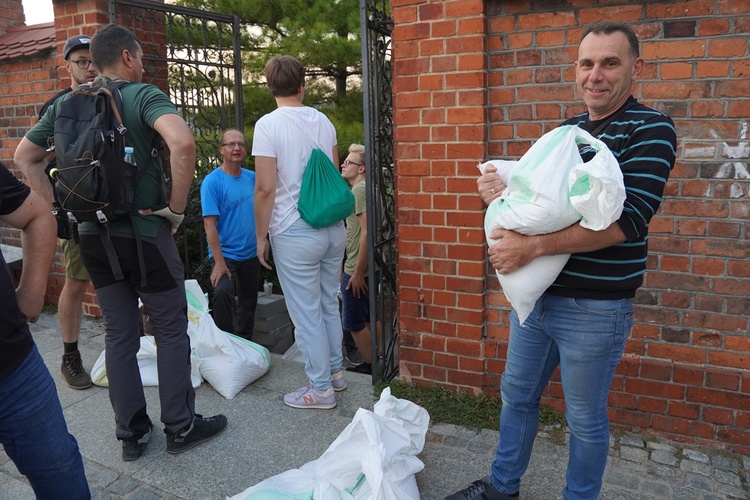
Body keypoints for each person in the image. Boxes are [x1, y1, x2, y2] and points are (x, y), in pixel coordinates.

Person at [446, 21, 676, 500]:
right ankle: (501, 488)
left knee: (585, 420)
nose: (596, 74)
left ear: (636, 68)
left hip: (596, 308)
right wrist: (498, 190)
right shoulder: (566, 131)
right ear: (576, 69)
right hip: (537, 298)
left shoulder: (651, 128)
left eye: (610, 62)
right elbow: (538, 197)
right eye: (587, 63)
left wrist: (529, 248)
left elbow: (628, 220)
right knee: (517, 398)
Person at [15, 24, 227, 462]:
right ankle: (180, 425)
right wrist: (175, 208)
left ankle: (131, 434)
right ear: (128, 57)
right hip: (146, 235)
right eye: (141, 56)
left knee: (119, 333)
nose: (143, 63)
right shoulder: (141, 95)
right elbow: (182, 142)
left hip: (92, 237)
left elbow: (25, 157)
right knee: (169, 329)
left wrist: (57, 209)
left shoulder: (68, 102)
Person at [253, 55, 347, 409]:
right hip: (331, 227)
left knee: (306, 314)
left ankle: (319, 389)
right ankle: (335, 375)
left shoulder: (268, 126)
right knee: (327, 304)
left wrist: (260, 237)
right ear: (302, 85)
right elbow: (333, 175)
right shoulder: (323, 121)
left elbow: (265, 189)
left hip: (294, 230)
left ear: (270, 86)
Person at [0, 161, 91, 499]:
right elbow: (27, 152)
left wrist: (32, 294)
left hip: (14, 364)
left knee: (60, 468)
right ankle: (71, 355)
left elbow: (37, 215)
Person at [38, 34, 98, 390]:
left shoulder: (112, 98)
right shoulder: (58, 105)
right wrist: (54, 208)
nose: (88, 67)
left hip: (114, 208)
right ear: (68, 66)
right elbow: (37, 157)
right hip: (75, 210)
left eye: (92, 60)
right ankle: (70, 356)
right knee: (76, 283)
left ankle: (132, 347)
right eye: (80, 61)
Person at [200, 128, 260, 340]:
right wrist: (218, 262)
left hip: (250, 253)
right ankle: (225, 341)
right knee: (222, 293)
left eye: (241, 144)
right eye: (231, 144)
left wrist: (264, 240)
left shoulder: (253, 178)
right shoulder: (212, 182)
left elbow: (265, 211)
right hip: (225, 255)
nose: (237, 148)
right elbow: (210, 226)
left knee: (248, 302)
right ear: (221, 150)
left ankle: (245, 343)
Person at [340, 143, 377, 375]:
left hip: (357, 266)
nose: (344, 164)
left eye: (349, 162)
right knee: (370, 317)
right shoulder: (368, 187)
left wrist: (356, 272)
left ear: (361, 168)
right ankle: (378, 358)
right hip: (367, 265)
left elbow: (367, 232)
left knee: (353, 321)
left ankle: (372, 366)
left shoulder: (358, 190)